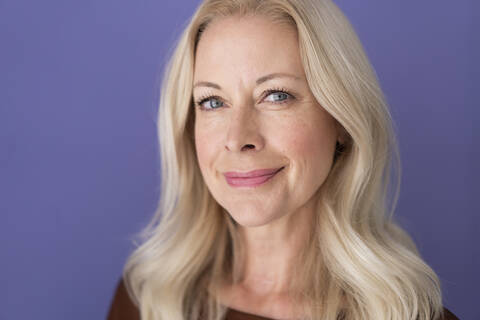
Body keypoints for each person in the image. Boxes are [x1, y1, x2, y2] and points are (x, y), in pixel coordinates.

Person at [107, 0, 459, 319]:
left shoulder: (410, 314)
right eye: (213, 102)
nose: (238, 138)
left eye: (276, 96)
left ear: (340, 120)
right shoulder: (147, 301)